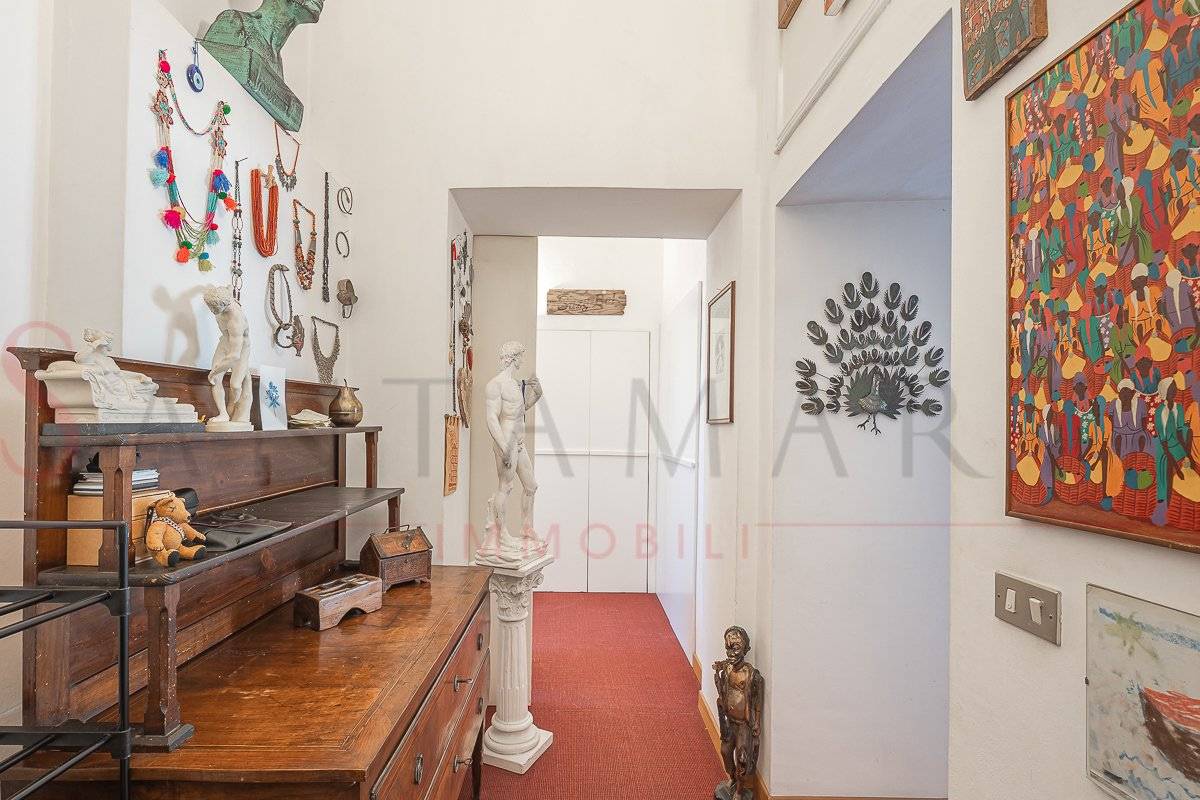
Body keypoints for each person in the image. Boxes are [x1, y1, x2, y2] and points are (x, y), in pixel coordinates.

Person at [481, 342, 544, 555]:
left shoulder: (515, 384)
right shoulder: (495, 385)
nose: (523, 360)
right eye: (521, 356)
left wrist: (537, 394)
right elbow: (492, 418)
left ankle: (526, 528)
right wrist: (503, 447)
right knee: (505, 487)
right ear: (514, 357)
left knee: (531, 486)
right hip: (506, 442)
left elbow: (519, 409)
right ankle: (502, 535)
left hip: (519, 442)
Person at [712, 627, 763, 800]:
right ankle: (732, 777)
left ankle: (740, 790)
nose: (730, 653)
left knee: (742, 758)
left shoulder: (751, 675)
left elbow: (757, 700)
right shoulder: (727, 669)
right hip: (729, 721)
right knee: (725, 752)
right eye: (728, 648)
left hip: (743, 725)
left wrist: (757, 722)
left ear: (745, 649)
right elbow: (723, 689)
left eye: (735, 648)